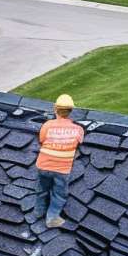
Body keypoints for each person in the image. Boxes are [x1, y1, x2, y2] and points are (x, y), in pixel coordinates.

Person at [35, 94, 84, 228]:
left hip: (43, 165)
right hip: (62, 169)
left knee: (42, 189)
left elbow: (42, 140)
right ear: (70, 111)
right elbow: (79, 142)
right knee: (59, 194)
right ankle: (52, 218)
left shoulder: (47, 125)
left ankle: (38, 212)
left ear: (55, 109)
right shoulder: (78, 129)